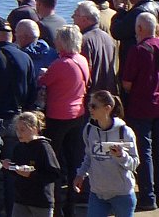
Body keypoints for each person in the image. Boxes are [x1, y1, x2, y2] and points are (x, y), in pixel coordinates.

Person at [0, 16, 38, 217]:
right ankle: (13, 210)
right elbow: (32, 92)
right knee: (13, 170)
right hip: (17, 119)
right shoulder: (25, 58)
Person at [37, 25, 91, 217]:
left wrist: (42, 74)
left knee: (54, 162)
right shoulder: (82, 60)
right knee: (74, 161)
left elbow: (43, 82)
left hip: (58, 117)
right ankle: (71, 205)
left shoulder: (61, 64)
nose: (55, 42)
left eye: (58, 39)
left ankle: (56, 205)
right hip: (78, 115)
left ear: (64, 42)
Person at [74, 91, 139, 217]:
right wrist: (81, 174)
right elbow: (89, 156)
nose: (90, 109)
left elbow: (135, 163)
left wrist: (121, 156)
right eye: (89, 105)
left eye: (94, 106)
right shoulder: (89, 130)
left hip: (122, 194)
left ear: (107, 108)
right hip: (97, 193)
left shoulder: (124, 132)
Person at [121, 11, 159, 211]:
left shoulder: (138, 50)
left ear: (139, 28)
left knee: (144, 152)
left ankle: (147, 196)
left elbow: (127, 83)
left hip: (141, 106)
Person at [0, 111, 61, 217]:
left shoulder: (44, 147)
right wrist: (9, 166)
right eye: (17, 130)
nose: (19, 133)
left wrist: (32, 174)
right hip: (21, 200)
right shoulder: (19, 147)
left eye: (22, 130)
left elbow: (54, 174)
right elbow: (16, 170)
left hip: (40, 202)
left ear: (34, 129)